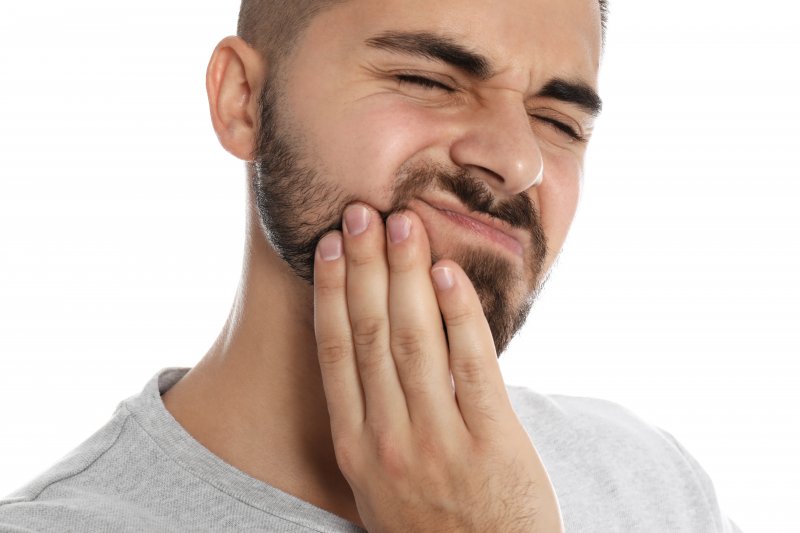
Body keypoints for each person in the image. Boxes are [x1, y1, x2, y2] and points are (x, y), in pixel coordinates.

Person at [0, 0, 741, 531]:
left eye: (558, 122)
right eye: (428, 80)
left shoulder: (652, 482)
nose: (517, 161)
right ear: (243, 101)